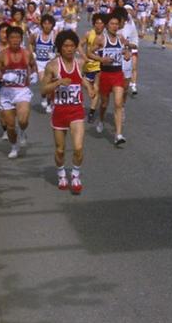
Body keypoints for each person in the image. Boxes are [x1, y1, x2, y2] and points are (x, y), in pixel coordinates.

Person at [41, 30, 95, 194]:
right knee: (60, 150)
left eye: (72, 46)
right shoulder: (52, 66)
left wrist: (89, 87)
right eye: (66, 46)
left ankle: (76, 176)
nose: (70, 49)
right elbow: (43, 90)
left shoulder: (79, 63)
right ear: (60, 48)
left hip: (76, 111)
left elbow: (81, 78)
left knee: (78, 148)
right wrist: (58, 83)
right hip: (59, 113)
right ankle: (61, 173)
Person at [0, 26, 37, 159]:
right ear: (8, 39)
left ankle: (22, 131)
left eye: (18, 38)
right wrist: (3, 77)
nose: (15, 40)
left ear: (21, 39)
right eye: (12, 38)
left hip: (22, 90)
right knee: (10, 126)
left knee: (22, 120)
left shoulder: (27, 53)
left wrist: (33, 74)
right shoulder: (2, 55)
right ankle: (14, 146)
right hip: (7, 92)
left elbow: (33, 65)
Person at [92, 13, 127, 145]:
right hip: (105, 75)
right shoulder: (101, 39)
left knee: (118, 103)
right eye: (112, 24)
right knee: (104, 104)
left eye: (116, 24)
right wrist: (102, 59)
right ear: (107, 25)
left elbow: (125, 50)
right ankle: (101, 119)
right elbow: (90, 52)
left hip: (118, 74)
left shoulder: (121, 38)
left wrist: (127, 53)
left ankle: (118, 134)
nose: (114, 26)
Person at [81, 12, 105, 123]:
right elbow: (79, 45)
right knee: (89, 89)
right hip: (89, 66)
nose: (99, 25)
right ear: (93, 24)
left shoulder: (106, 36)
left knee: (97, 89)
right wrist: (83, 56)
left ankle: (91, 111)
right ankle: (87, 107)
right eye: (97, 23)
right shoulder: (88, 34)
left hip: (100, 66)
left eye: (101, 23)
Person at [30, 14, 56, 114]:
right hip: (40, 62)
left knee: (50, 85)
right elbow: (30, 43)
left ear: (52, 25)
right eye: (45, 23)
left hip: (50, 63)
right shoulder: (36, 34)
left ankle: (50, 103)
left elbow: (61, 48)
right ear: (41, 25)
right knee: (43, 83)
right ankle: (44, 98)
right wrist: (32, 53)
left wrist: (55, 54)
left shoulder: (54, 35)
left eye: (49, 24)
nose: (47, 26)